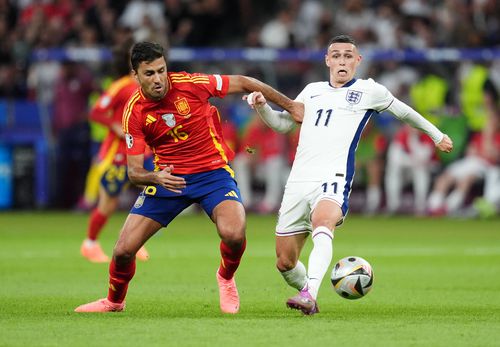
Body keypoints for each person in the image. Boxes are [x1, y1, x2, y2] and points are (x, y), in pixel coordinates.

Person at [74, 41, 301, 314]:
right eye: (149, 74)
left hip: (213, 174)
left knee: (234, 233)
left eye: (161, 70)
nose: (158, 79)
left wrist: (290, 106)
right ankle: (114, 302)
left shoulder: (191, 84)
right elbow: (134, 172)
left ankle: (226, 278)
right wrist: (156, 177)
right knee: (123, 251)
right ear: (135, 75)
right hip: (168, 180)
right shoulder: (134, 111)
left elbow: (243, 81)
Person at [244, 34, 453, 315]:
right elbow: (284, 125)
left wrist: (436, 135)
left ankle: (310, 294)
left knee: (323, 223)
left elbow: (404, 112)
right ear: (328, 60)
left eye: (348, 56)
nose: (342, 60)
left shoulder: (370, 91)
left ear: (357, 61)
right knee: (285, 262)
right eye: (337, 55)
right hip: (298, 181)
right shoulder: (311, 90)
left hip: (334, 177)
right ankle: (309, 286)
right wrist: (262, 107)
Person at [79, 42, 150, 263]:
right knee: (109, 202)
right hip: (117, 154)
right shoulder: (121, 86)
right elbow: (97, 111)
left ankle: (134, 241)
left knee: (153, 192)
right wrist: (116, 126)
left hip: (140, 152)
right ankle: (90, 243)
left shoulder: (145, 86)